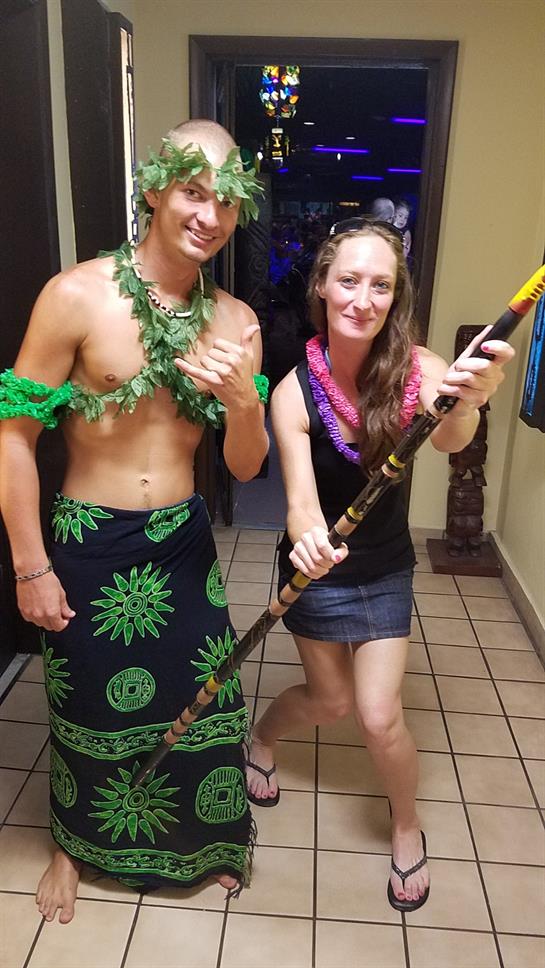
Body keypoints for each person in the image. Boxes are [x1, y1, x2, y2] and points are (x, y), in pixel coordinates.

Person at [0, 119, 269, 923]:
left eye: (226, 200)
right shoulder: (76, 296)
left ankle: (205, 841)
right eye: (192, 191)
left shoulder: (236, 322)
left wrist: (243, 404)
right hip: (87, 539)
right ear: (154, 189)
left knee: (206, 699)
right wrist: (30, 565)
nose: (209, 215)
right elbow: (13, 438)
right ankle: (71, 846)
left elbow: (245, 466)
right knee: (85, 707)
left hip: (183, 541)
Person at [244, 218, 514, 912]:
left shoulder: (421, 369)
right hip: (315, 570)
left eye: (381, 285)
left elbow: (450, 437)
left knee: (375, 715)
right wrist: (307, 539)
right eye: (348, 280)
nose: (363, 299)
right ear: (321, 287)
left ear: (396, 296)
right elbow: (300, 505)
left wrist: (470, 403)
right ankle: (263, 736)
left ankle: (405, 823)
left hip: (386, 564)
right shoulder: (292, 390)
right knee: (329, 701)